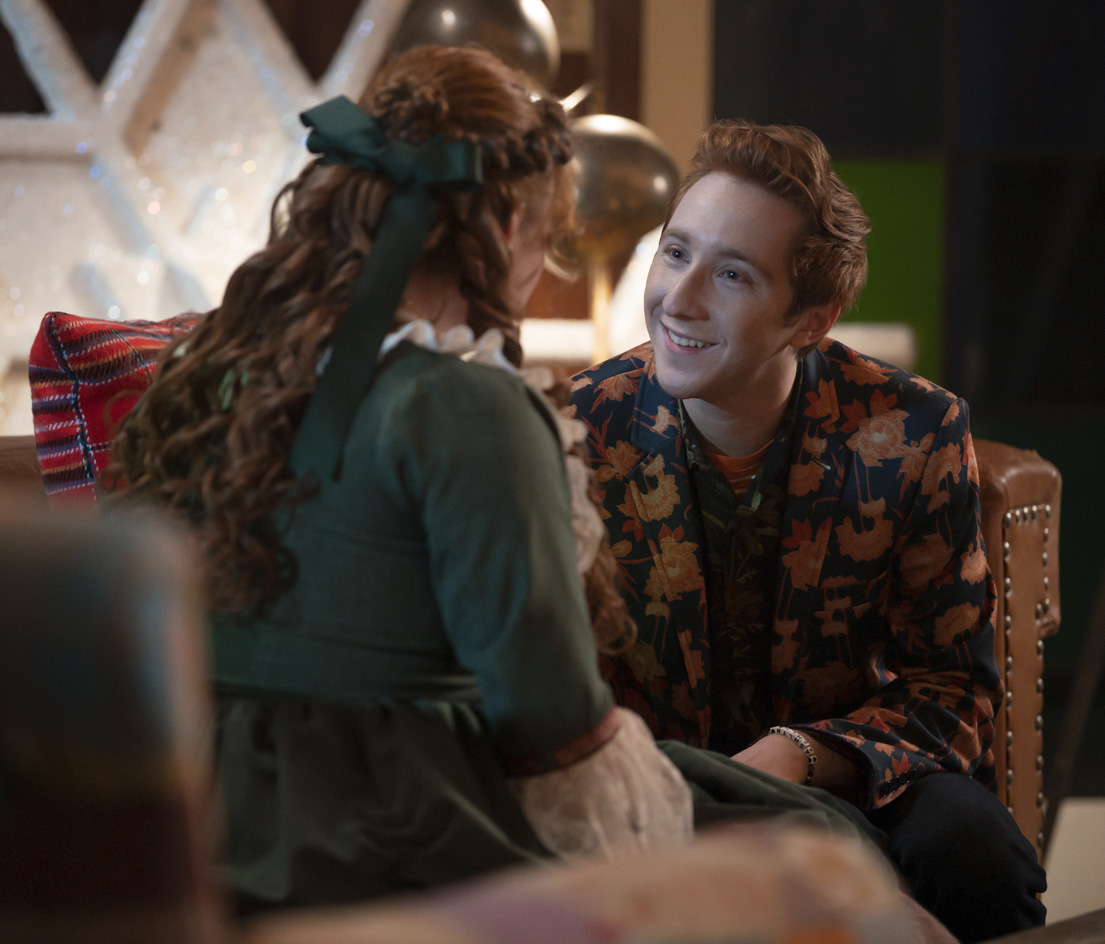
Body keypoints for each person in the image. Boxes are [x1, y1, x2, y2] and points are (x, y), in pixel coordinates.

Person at [107, 45, 700, 915]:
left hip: (180, 810)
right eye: (548, 240)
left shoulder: (210, 368)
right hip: (379, 814)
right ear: (502, 230)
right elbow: (551, 719)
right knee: (809, 835)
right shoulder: (466, 408)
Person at [568, 119, 1047, 943]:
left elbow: (955, 690)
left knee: (974, 850)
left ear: (810, 322)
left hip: (854, 769)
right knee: (829, 858)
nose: (677, 299)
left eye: (732, 275)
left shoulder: (916, 430)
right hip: (663, 789)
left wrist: (799, 755)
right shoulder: (580, 426)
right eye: (675, 252)